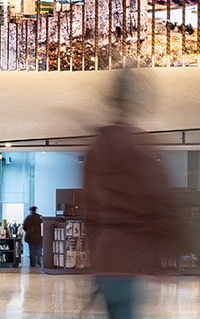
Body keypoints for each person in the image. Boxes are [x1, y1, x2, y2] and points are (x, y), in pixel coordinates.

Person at [81, 68, 183, 319]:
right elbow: (162, 206)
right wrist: (165, 257)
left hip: (105, 259)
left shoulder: (95, 150)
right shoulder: (143, 149)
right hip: (132, 261)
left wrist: (95, 259)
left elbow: (90, 210)